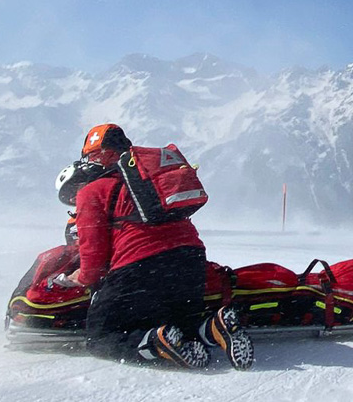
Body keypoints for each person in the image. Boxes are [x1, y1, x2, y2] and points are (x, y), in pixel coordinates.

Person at [55, 123, 254, 370]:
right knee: (178, 322)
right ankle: (215, 327)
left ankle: (156, 344)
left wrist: (82, 277)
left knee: (100, 336)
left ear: (92, 159)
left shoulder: (91, 191)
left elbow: (93, 256)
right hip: (191, 262)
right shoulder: (150, 182)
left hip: (140, 266)